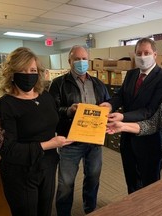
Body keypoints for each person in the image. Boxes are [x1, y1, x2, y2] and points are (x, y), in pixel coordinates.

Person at [0, 47, 73, 216]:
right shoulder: (4, 106)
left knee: (45, 212)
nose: (28, 75)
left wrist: (80, 118)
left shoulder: (46, 97)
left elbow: (54, 123)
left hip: (48, 167)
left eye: (32, 70)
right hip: (20, 174)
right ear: (11, 73)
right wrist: (49, 144)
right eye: (22, 70)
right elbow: (8, 149)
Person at [100, 38, 162, 194]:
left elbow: (150, 110)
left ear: (155, 55)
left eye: (146, 53)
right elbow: (120, 95)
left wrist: (122, 117)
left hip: (149, 140)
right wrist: (110, 105)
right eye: (139, 53)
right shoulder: (131, 74)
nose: (142, 56)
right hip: (127, 138)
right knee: (131, 180)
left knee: (149, 185)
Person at [48, 45, 110, 216]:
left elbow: (108, 103)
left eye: (84, 58)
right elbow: (52, 110)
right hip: (70, 141)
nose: (81, 62)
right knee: (66, 183)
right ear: (70, 61)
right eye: (77, 59)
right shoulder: (58, 83)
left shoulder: (97, 83)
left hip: (94, 141)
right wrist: (69, 110)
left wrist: (109, 106)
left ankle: (90, 210)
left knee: (93, 178)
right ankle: (63, 213)